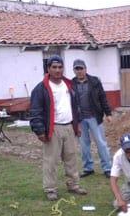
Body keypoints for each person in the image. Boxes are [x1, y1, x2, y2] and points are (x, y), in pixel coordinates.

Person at [30, 55, 87, 201]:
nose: (57, 70)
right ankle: (50, 189)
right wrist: (39, 131)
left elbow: (76, 107)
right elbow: (35, 111)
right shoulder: (41, 88)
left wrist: (77, 124)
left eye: (60, 67)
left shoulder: (69, 85)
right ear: (48, 69)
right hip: (52, 128)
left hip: (69, 126)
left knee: (72, 158)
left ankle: (73, 185)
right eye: (54, 67)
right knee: (51, 160)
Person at [72, 59, 112, 178]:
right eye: (76, 69)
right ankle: (88, 168)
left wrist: (108, 113)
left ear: (85, 69)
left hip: (95, 116)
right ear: (74, 70)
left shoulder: (95, 81)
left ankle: (107, 168)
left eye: (81, 68)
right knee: (84, 144)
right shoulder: (71, 83)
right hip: (80, 119)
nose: (79, 71)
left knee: (101, 143)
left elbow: (103, 98)